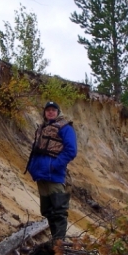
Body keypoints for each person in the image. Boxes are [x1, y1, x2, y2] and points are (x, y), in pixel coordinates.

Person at [26, 101, 77, 240]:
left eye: (53, 110)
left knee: (58, 210)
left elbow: (71, 150)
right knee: (47, 210)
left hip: (55, 175)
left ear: (58, 112)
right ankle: (55, 241)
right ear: (44, 112)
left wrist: (54, 165)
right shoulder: (42, 128)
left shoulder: (65, 128)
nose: (50, 112)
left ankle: (59, 245)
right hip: (41, 175)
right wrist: (33, 168)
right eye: (48, 110)